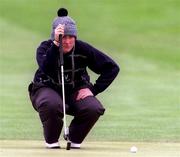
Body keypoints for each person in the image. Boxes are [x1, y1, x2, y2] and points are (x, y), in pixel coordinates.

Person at [28, 8, 119, 149]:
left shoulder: (83, 49)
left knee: (93, 108)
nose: (68, 42)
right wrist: (55, 46)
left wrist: (93, 90)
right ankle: (51, 140)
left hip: (75, 89)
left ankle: (75, 137)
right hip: (46, 88)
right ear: (56, 36)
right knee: (51, 103)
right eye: (63, 37)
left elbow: (111, 68)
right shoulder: (45, 48)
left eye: (71, 37)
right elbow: (47, 68)